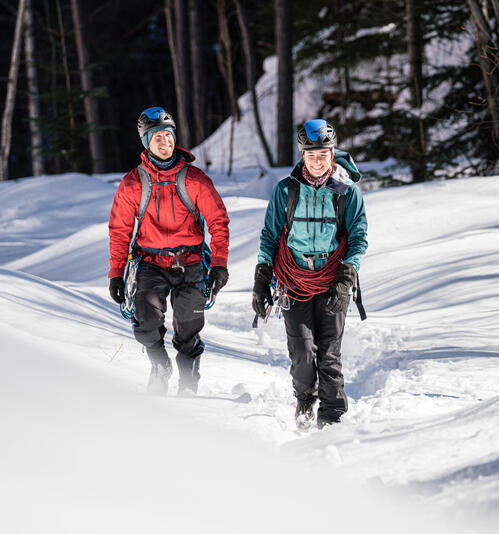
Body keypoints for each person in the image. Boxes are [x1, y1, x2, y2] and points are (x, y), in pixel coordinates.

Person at [253, 119, 368, 429]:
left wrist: (347, 276)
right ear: (302, 154)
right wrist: (262, 276)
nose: (318, 161)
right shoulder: (286, 190)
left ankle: (331, 419)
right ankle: (305, 399)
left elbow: (358, 236)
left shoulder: (346, 192)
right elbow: (270, 234)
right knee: (303, 352)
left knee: (329, 356)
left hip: (334, 281)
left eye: (324, 154)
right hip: (293, 279)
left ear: (333, 154)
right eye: (311, 154)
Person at [108, 106, 230, 395]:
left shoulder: (195, 179)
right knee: (146, 320)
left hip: (191, 262)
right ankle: (159, 365)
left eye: (168, 135)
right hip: (150, 263)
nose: (165, 142)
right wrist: (116, 274)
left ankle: (188, 379)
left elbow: (219, 222)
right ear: (146, 142)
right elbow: (119, 231)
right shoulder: (132, 184)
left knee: (188, 325)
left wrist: (220, 265)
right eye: (157, 137)